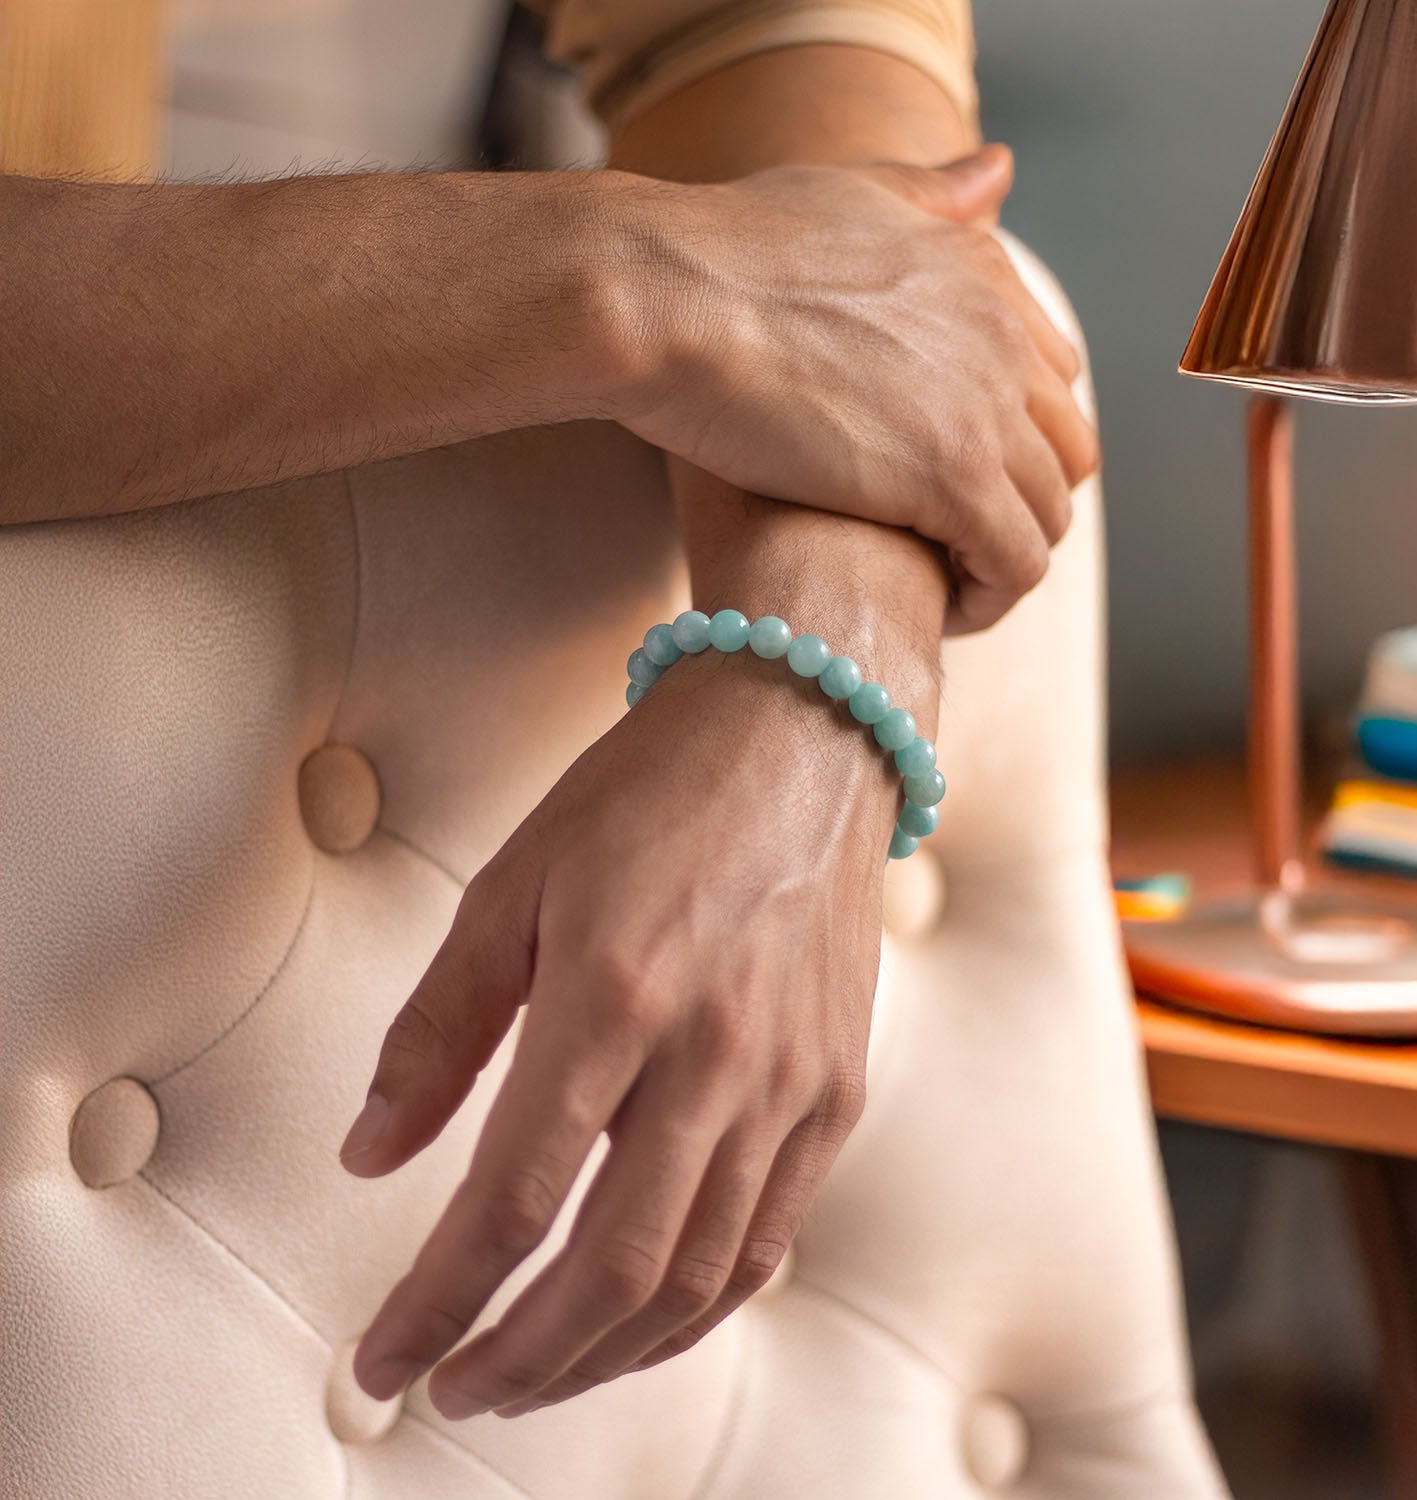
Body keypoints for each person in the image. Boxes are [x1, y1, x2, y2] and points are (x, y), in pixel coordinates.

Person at [0, 0, 1097, 1427]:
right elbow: (793, 271)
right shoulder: (663, 290)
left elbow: (781, 46)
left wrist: (820, 670)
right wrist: (645, 286)